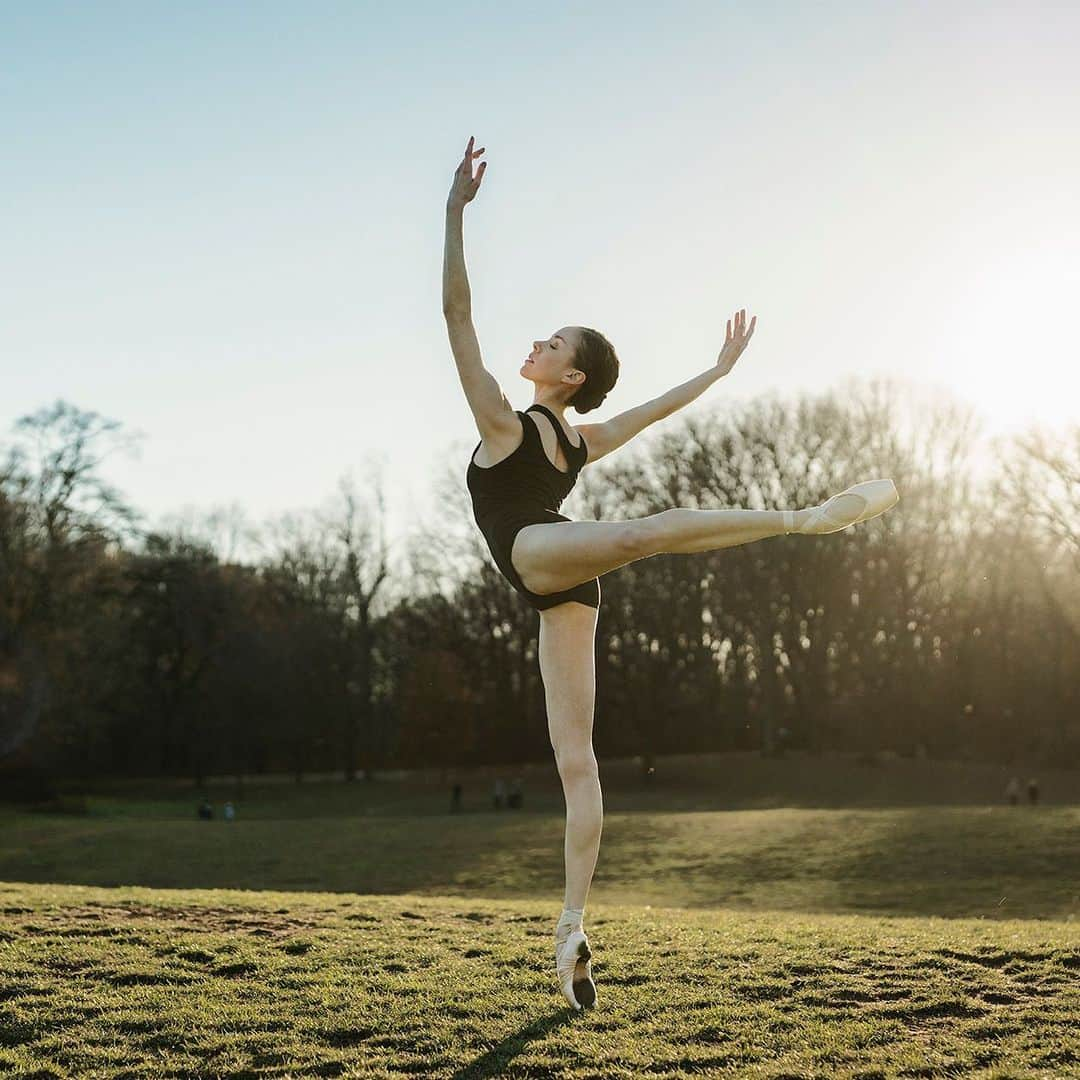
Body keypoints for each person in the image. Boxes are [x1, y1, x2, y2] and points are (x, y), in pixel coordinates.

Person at [442, 136, 900, 1011]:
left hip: (543, 555)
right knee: (581, 728)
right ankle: (570, 931)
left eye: (551, 342)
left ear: (568, 376)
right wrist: (717, 371)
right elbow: (642, 408)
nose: (532, 343)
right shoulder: (549, 434)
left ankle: (809, 517)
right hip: (550, 562)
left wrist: (453, 217)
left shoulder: (536, 431)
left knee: (588, 728)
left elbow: (460, 317)